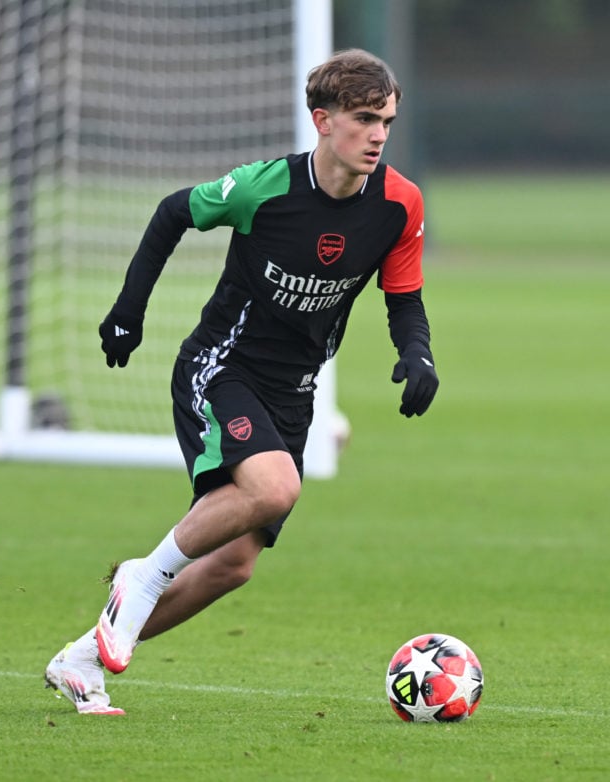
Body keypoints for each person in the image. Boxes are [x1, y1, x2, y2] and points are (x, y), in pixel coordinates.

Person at [44, 48, 439, 715]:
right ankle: (142, 577)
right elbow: (175, 211)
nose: (378, 135)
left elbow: (404, 297)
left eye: (388, 122)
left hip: (295, 392)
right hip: (220, 368)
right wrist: (128, 310)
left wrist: (418, 354)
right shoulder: (267, 188)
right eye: (365, 119)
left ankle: (81, 660)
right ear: (322, 120)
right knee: (274, 485)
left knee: (233, 565)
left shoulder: (399, 203)